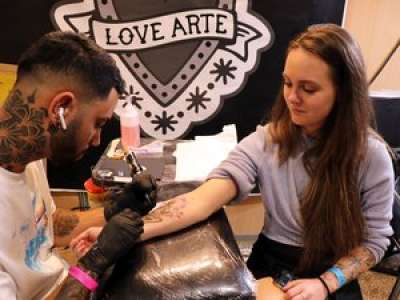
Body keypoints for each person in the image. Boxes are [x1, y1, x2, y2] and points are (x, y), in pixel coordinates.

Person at [73, 24, 394, 300]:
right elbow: (198, 201)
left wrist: (326, 284)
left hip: (335, 273)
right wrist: (115, 232)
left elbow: (375, 242)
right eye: (287, 83)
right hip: (273, 262)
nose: (292, 97)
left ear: (343, 93)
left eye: (308, 89)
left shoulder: (371, 157)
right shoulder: (266, 142)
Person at [0, 31, 156, 300]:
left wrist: (114, 209)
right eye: (98, 124)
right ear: (61, 108)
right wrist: (94, 263)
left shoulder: (29, 155)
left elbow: (43, 227)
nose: (97, 140)